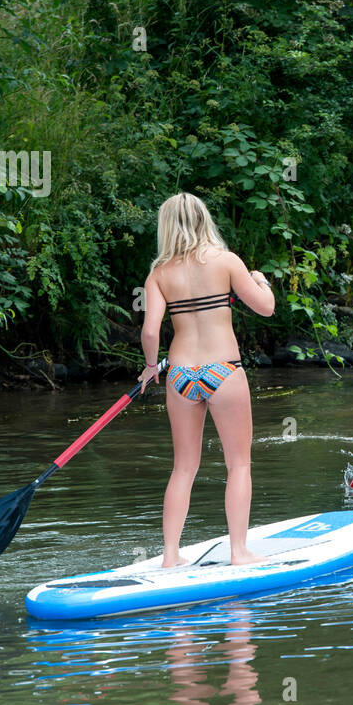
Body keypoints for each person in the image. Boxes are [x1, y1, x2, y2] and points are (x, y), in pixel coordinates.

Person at [138, 193, 276, 567]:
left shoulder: (159, 274)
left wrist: (152, 367)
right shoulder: (227, 261)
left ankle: (170, 556)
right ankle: (238, 551)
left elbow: (151, 332)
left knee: (183, 467)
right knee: (239, 465)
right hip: (224, 370)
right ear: (204, 221)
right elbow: (266, 307)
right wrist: (261, 281)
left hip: (181, 374)